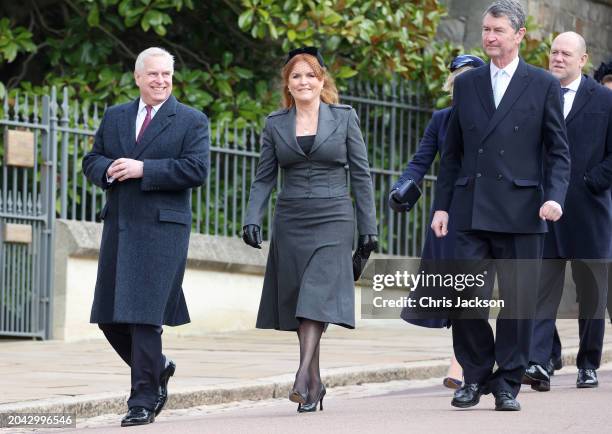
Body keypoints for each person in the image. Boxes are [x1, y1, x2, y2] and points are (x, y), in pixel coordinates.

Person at [431, 0, 570, 411]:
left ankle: (507, 381)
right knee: (465, 299)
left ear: (519, 35)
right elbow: (452, 153)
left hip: (524, 210)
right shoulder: (469, 84)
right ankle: (474, 376)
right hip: (471, 208)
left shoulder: (542, 83)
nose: (489, 37)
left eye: (498, 30)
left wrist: (554, 197)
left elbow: (558, 151)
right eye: (486, 29)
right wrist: (442, 206)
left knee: (518, 303)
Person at [242, 47, 378, 413]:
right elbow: (264, 177)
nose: (304, 81)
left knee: (316, 294)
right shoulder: (275, 123)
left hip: (334, 217)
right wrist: (251, 217)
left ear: (322, 81)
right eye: (296, 76)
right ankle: (315, 384)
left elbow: (362, 175)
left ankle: (301, 376)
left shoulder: (344, 118)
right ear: (288, 83)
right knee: (304, 301)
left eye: (310, 75)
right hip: (291, 219)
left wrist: (369, 229)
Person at [82, 47, 209, 427]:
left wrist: (142, 169)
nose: (161, 81)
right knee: (109, 318)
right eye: (153, 74)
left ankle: (141, 400)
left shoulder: (190, 120)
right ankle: (159, 367)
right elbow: (92, 160)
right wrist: (108, 170)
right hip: (120, 225)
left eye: (166, 75)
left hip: (162, 229)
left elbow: (196, 169)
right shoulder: (116, 115)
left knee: (144, 318)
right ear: (137, 77)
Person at [391, 54, 486, 390]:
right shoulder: (441, 120)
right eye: (457, 81)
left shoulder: (496, 118)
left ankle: (460, 364)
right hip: (448, 213)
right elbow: (420, 161)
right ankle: (466, 359)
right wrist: (402, 186)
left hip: (487, 213)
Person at [524, 32, 612, 391]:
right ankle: (540, 361)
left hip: (590, 209)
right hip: (545, 208)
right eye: (554, 52)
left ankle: (588, 363)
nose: (557, 58)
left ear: (583, 59)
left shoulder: (604, 100)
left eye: (566, 54)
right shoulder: (534, 93)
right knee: (542, 289)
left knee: (591, 293)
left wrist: (591, 182)